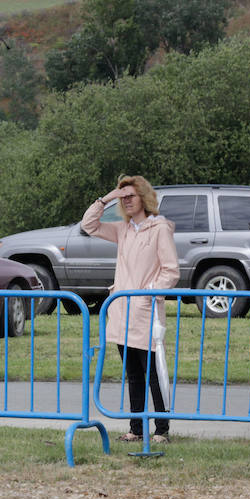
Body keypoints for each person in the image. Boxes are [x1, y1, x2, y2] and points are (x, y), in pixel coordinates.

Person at [81, 175, 179, 443]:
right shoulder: (122, 229)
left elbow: (171, 270)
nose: (126, 201)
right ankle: (137, 428)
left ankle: (161, 428)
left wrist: (149, 292)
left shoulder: (159, 229)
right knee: (133, 374)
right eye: (123, 198)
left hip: (146, 312)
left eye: (131, 196)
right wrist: (107, 198)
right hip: (122, 313)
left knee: (153, 373)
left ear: (144, 198)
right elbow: (88, 224)